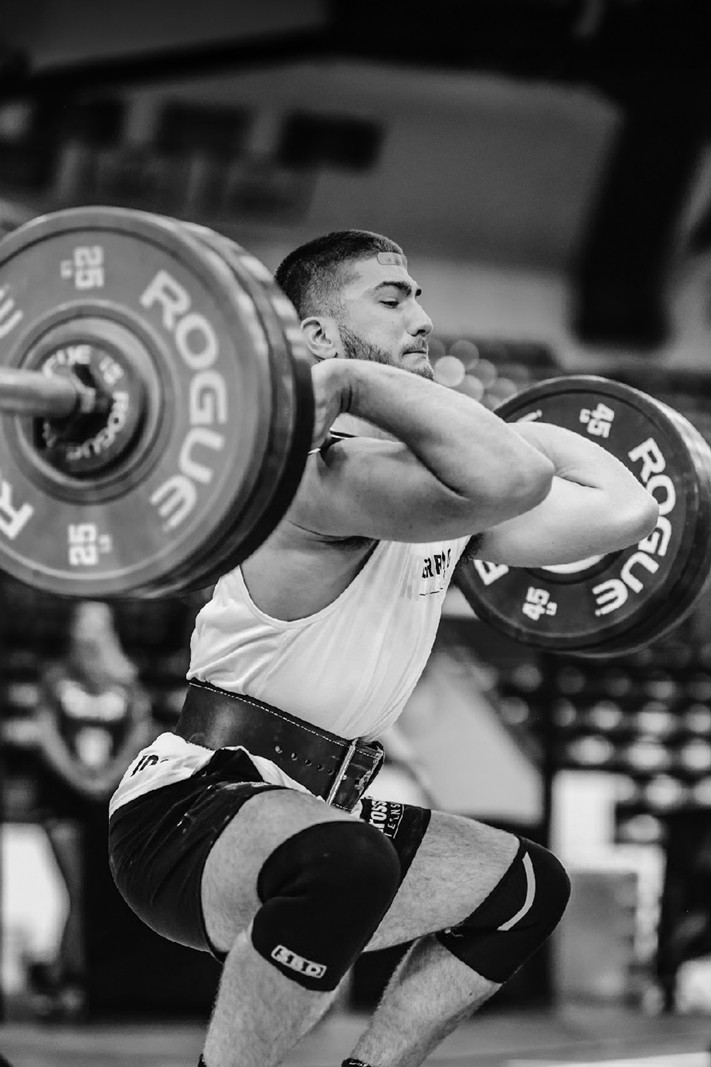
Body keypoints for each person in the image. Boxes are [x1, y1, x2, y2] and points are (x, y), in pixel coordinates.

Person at [108, 230, 658, 1067]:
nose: (422, 319)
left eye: (419, 299)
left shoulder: (432, 504)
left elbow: (626, 511)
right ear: (318, 336)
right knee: (347, 861)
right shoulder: (314, 474)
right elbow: (510, 479)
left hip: (316, 808)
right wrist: (356, 384)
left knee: (522, 887)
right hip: (189, 812)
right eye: (392, 299)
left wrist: (513, 427)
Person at [33, 600, 153, 1017]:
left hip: (107, 797)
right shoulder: (56, 678)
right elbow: (47, 736)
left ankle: (70, 977)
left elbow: (140, 732)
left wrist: (106, 779)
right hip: (65, 797)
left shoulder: (128, 681)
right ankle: (71, 979)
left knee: (98, 893)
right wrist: (80, 779)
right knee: (76, 889)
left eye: (98, 623)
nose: (89, 632)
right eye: (84, 622)